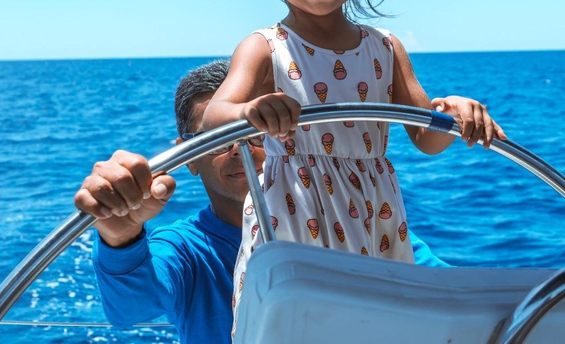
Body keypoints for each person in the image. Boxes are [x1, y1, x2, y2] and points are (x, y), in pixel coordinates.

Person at [200, 0, 507, 334]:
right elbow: (212, 117)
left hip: (375, 215)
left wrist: (456, 112)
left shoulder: (384, 48)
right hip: (294, 212)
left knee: (381, 325)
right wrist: (250, 112)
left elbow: (425, 135)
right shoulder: (266, 47)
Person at [74, 59, 447, 344]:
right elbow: (129, 310)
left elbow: (446, 291)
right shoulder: (186, 250)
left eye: (256, 135)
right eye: (216, 139)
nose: (239, 151)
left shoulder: (348, 222)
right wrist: (120, 235)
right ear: (187, 157)